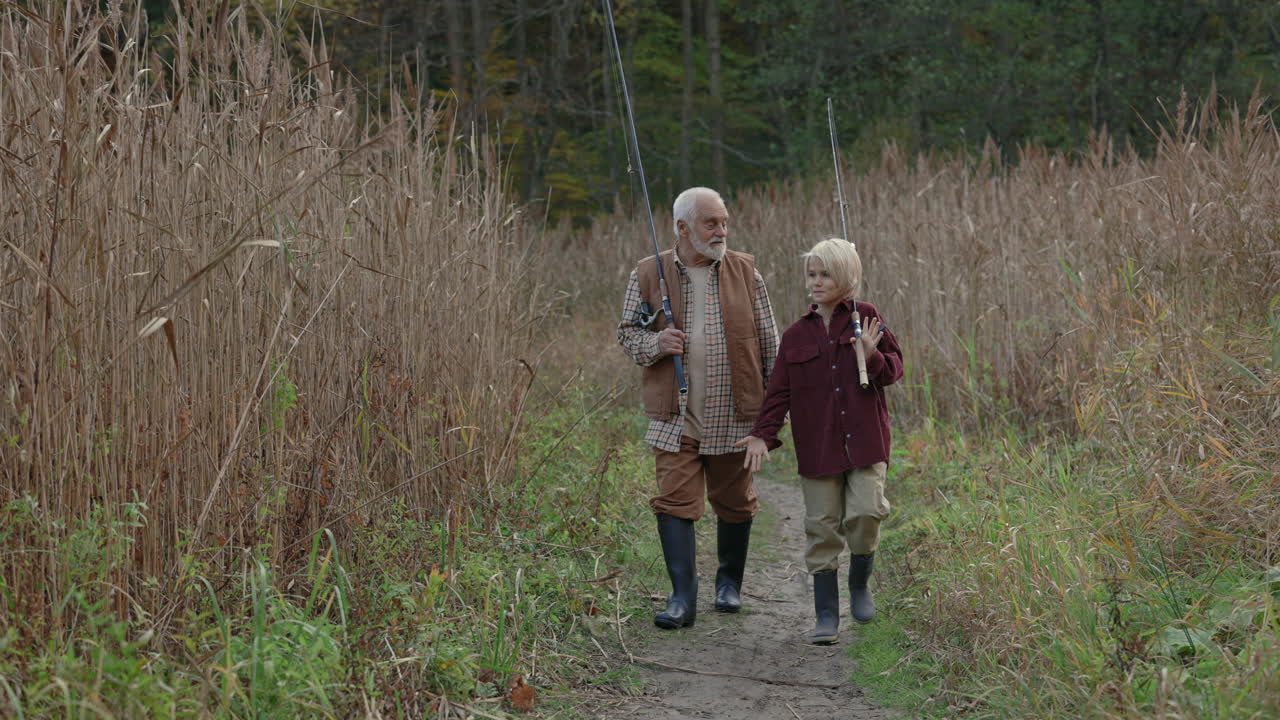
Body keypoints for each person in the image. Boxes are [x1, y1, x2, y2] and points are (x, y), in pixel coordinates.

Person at [617, 186, 780, 629]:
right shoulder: (648, 273)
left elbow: (771, 346)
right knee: (674, 501)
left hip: (735, 413)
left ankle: (728, 585)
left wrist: (771, 420)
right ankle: (681, 600)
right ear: (683, 228)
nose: (721, 231)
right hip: (675, 415)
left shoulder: (746, 272)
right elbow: (627, 335)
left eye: (724, 222)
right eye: (711, 223)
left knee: (736, 502)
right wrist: (657, 343)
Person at [735, 238, 902, 645]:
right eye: (812, 274)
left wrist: (871, 354)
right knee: (822, 527)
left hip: (866, 443)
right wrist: (762, 435)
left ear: (846, 277)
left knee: (866, 513)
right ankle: (826, 614)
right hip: (818, 447)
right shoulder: (795, 336)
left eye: (825, 274)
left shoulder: (867, 318)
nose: (816, 282)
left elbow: (894, 371)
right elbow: (779, 392)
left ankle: (859, 585)